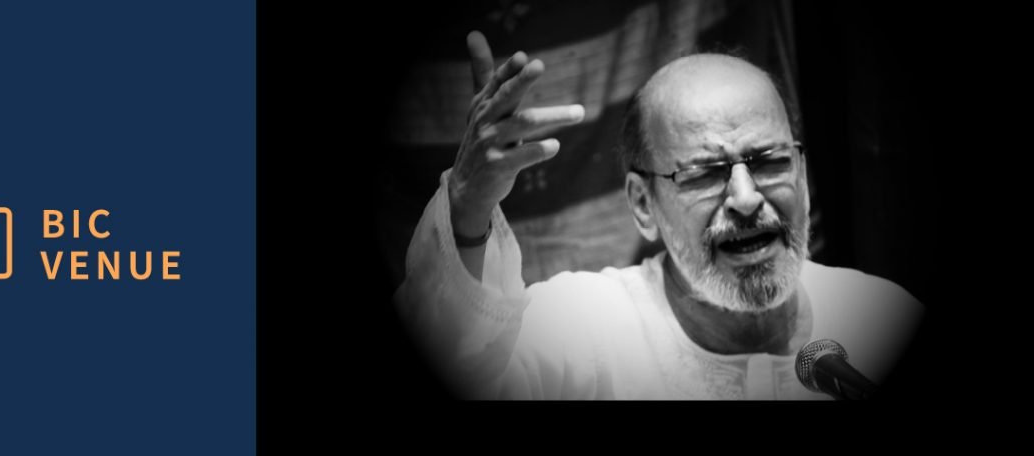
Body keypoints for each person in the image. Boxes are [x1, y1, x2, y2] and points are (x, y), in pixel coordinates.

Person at [394, 31, 923, 400]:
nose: (745, 198)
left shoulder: (881, 317)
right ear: (643, 205)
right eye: (704, 173)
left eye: (769, 162)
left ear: (802, 174)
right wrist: (467, 200)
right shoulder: (581, 331)